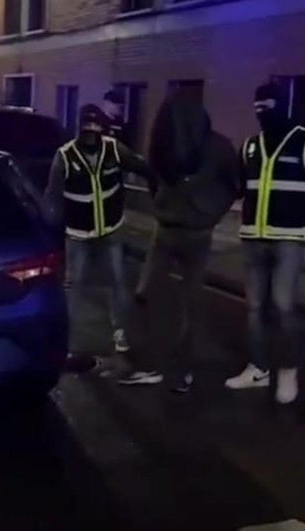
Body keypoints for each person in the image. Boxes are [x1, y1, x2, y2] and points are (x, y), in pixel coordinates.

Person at [224, 81, 305, 404]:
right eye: (257, 106)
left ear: (284, 105)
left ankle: (288, 371)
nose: (262, 112)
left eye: (268, 105)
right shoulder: (250, 146)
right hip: (252, 239)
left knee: (283, 307)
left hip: (289, 240)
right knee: (255, 308)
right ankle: (258, 368)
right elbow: (235, 187)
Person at [122, 92, 241, 392]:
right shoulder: (165, 144)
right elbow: (153, 178)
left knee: (190, 302)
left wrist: (210, 211)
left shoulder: (217, 147)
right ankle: (149, 364)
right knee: (145, 294)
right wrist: (164, 205)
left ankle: (180, 370)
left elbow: (234, 186)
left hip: (197, 234)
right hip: (166, 231)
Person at [44, 104, 156, 371]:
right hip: (78, 234)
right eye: (86, 131)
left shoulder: (114, 150)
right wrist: (51, 233)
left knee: (118, 282)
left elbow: (143, 169)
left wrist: (159, 190)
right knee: (74, 287)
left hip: (111, 229)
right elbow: (53, 198)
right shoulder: (65, 156)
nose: (91, 137)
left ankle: (120, 334)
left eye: (95, 131)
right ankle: (69, 343)